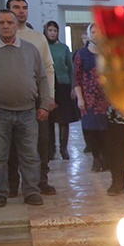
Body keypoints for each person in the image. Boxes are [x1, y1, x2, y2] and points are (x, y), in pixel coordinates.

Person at [0, 9, 49, 208]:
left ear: (16, 25)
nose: (5, 26)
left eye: (9, 22)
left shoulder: (30, 49)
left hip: (28, 112)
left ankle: (31, 191)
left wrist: (44, 105)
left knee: (30, 156)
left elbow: (42, 78)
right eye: (1, 23)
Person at [0, 0, 56, 196]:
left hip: (36, 101)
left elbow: (48, 68)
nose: (21, 11)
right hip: (4, 104)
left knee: (41, 144)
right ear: (8, 11)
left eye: (24, 7)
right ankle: (12, 184)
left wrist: (50, 97)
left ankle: (41, 181)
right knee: (11, 147)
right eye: (16, 8)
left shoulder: (38, 38)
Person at [73, 23, 109, 173]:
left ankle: (105, 159)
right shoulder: (81, 54)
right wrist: (80, 98)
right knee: (92, 131)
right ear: (88, 34)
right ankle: (96, 159)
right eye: (93, 32)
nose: (96, 34)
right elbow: (77, 78)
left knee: (106, 130)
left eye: (98, 31)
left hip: (106, 99)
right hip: (89, 99)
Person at [43, 21, 78, 160]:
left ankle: (64, 148)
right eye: (50, 30)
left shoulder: (63, 48)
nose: (52, 33)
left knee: (64, 119)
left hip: (63, 85)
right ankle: (51, 149)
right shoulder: (43, 47)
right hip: (48, 85)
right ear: (45, 31)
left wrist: (73, 87)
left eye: (54, 30)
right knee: (49, 119)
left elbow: (71, 68)